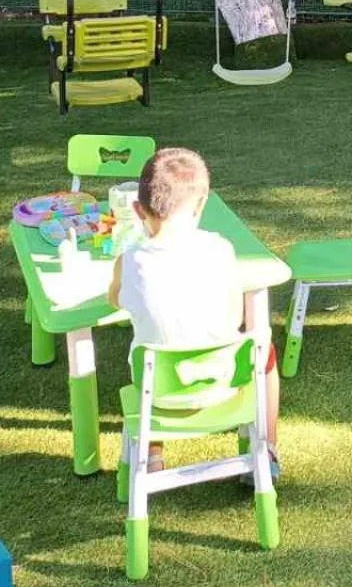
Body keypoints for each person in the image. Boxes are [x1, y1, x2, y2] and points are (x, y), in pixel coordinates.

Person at [108, 146, 279, 477]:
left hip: (157, 394)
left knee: (149, 346)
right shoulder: (220, 249)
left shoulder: (128, 262)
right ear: (201, 205)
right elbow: (234, 312)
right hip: (224, 380)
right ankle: (268, 449)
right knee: (265, 348)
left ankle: (153, 456)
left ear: (137, 209)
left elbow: (114, 301)